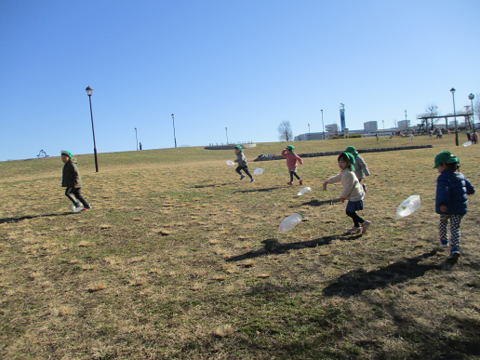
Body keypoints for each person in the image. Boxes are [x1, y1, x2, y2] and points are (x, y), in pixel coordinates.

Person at [434, 151, 475, 262]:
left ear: (444, 165)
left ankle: (444, 240)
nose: (438, 170)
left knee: (443, 222)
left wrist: (442, 203)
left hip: (446, 208)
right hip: (459, 208)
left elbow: (444, 191)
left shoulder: (443, 178)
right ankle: (455, 247)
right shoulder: (460, 175)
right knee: (455, 227)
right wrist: (470, 191)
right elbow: (469, 186)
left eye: (438, 167)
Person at [323, 152, 370, 234]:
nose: (340, 164)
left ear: (348, 163)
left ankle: (364, 223)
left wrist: (342, 196)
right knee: (351, 211)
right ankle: (357, 226)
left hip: (355, 195)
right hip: (353, 195)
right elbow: (338, 177)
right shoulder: (344, 171)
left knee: (349, 212)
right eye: (339, 162)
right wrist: (328, 181)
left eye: (343, 162)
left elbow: (348, 188)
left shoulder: (348, 173)